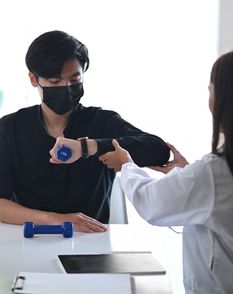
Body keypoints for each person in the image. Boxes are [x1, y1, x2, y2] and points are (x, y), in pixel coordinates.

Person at [0, 30, 170, 233]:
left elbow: (158, 150)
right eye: (55, 82)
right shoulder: (11, 128)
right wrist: (56, 220)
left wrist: (88, 147)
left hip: (91, 244)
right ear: (33, 79)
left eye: (74, 79)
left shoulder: (102, 122)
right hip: (27, 238)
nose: (67, 87)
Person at [94, 52, 233, 292]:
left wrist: (126, 164)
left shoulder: (214, 172)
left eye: (211, 89)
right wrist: (188, 173)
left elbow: (150, 202)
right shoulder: (214, 175)